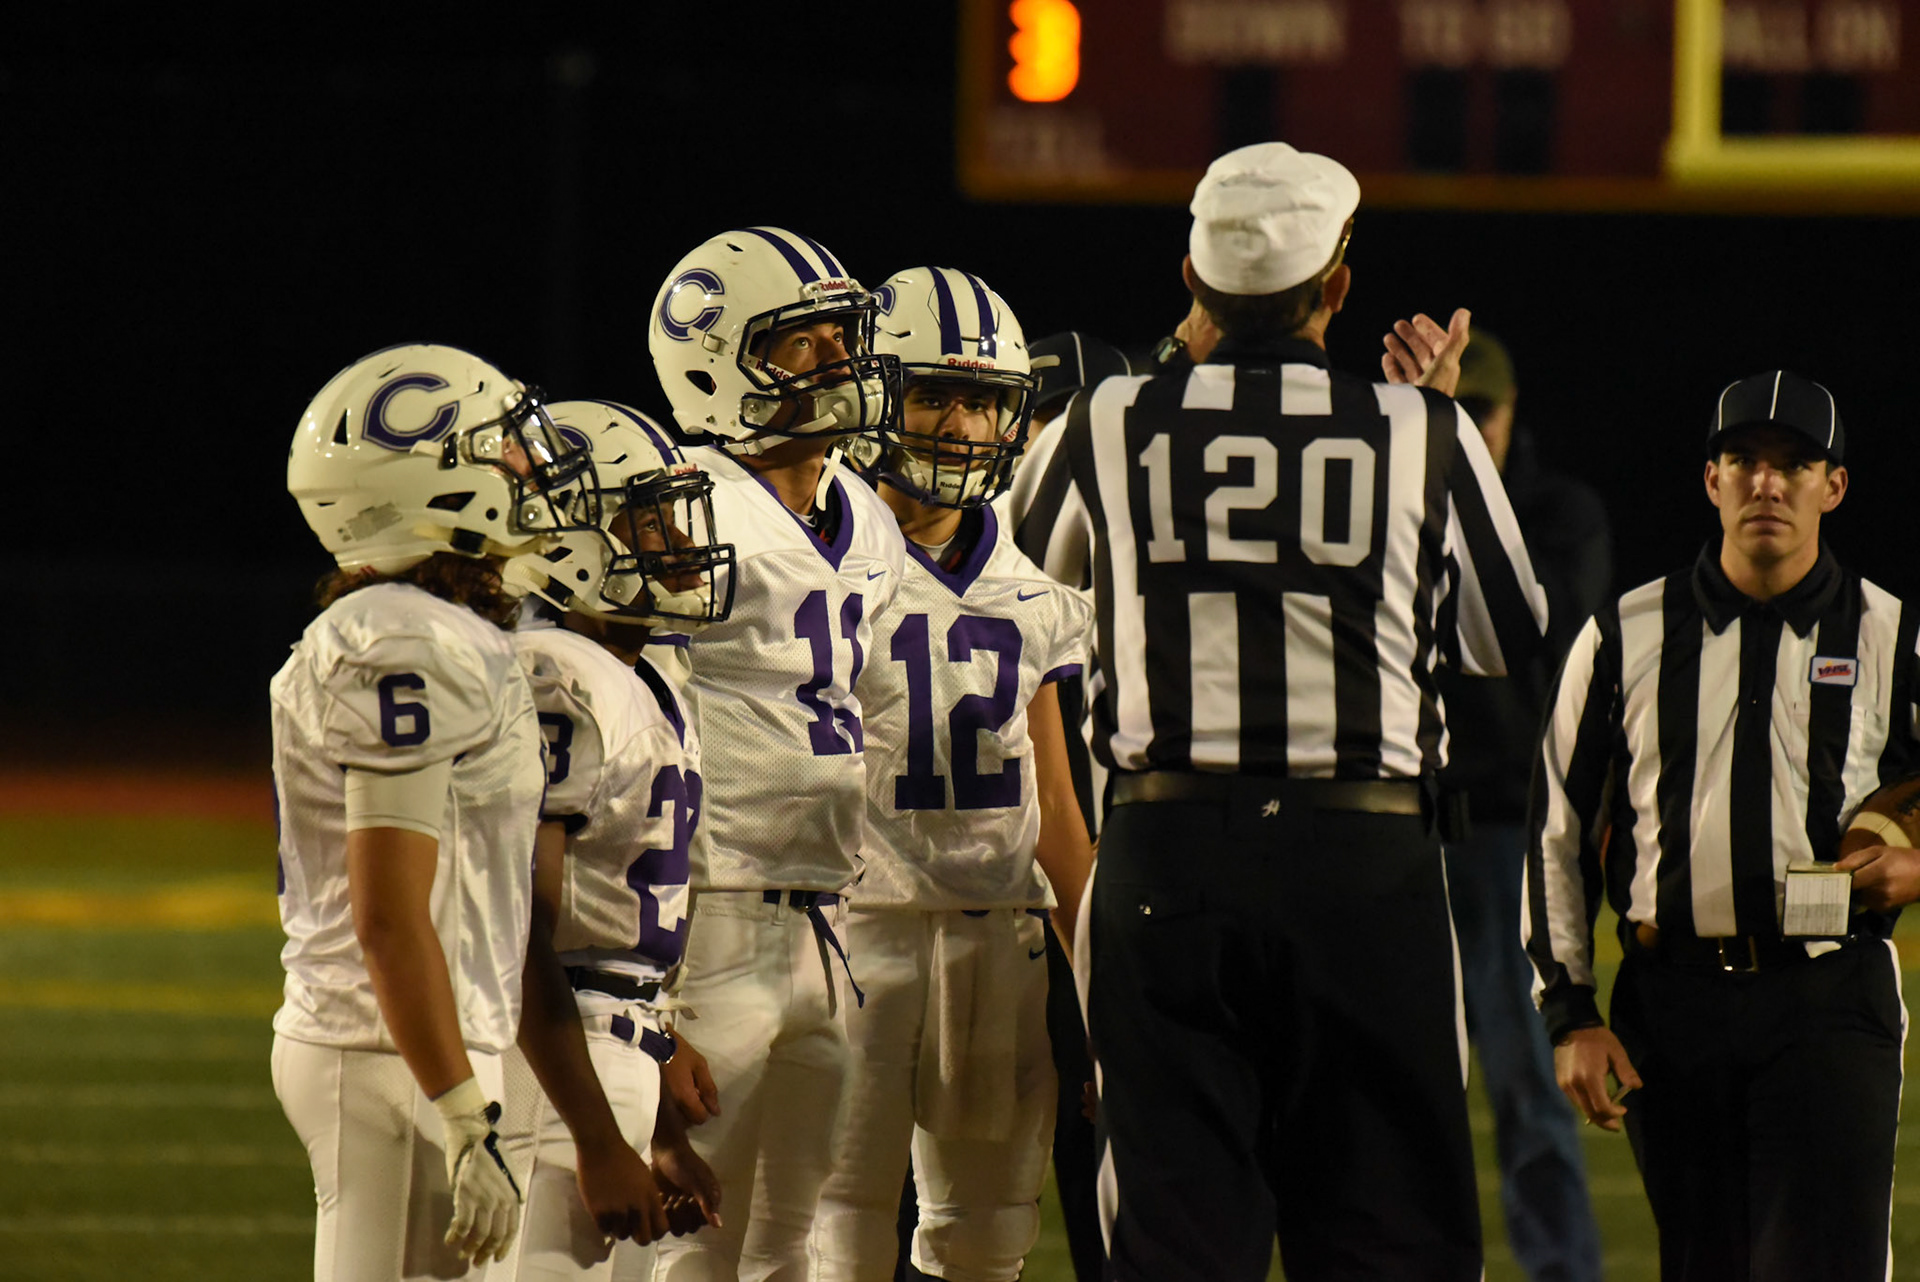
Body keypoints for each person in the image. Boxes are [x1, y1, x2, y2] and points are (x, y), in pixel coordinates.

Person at [1006, 142, 1548, 1280]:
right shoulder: (1420, 431)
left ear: (1192, 281)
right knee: (1388, 1240)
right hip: (1366, 865)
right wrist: (1431, 431)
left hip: (1165, 857)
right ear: (1336, 286)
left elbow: (1015, 597)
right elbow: (1507, 633)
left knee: (1177, 1241)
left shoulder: (1106, 421)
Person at [273, 344, 661, 1278]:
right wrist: (456, 1109)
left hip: (418, 1036)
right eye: (504, 446)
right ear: (431, 482)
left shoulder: (443, 630)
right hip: (387, 1043)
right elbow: (388, 913)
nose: (532, 464)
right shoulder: (404, 638)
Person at [1526, 370, 1918, 1280]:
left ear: (1834, 486)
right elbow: (1557, 830)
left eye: (1795, 464)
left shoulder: (1892, 635)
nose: (1767, 484)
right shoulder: (1623, 634)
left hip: (1829, 998)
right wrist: (1570, 1013)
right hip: (1673, 1008)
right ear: (1712, 480)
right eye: (1744, 460)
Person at [809, 268, 1096, 1282]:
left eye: (983, 401)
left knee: (984, 1241)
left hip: (997, 937)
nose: (962, 425)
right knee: (840, 1238)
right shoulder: (817, 566)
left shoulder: (1035, 592)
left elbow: (1057, 813)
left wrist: (1101, 989)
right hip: (857, 933)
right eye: (934, 394)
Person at [645, 227, 907, 1281]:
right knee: (687, 1249)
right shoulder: (684, 509)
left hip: (822, 920)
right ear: (719, 365)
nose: (841, 359)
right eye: (805, 342)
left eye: (843, 334)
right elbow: (636, 747)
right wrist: (648, 997)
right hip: (710, 916)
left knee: (790, 1250)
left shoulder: (865, 515)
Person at [494, 400, 736, 1279]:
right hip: (555, 1065)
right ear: (570, 540)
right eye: (650, 519)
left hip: (614, 1044)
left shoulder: (642, 676)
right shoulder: (555, 676)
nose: (680, 542)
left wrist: (661, 1132)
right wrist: (597, 1140)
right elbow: (522, 934)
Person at [1426, 331, 1607, 1282]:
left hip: (1507, 833)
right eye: (1455, 411)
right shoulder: (1396, 496)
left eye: (1481, 411)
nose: (1470, 427)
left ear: (1509, 413)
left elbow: (1558, 640)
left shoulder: (1558, 512)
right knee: (1402, 1089)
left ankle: (1562, 1272)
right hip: (1407, 833)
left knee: (1528, 1083)